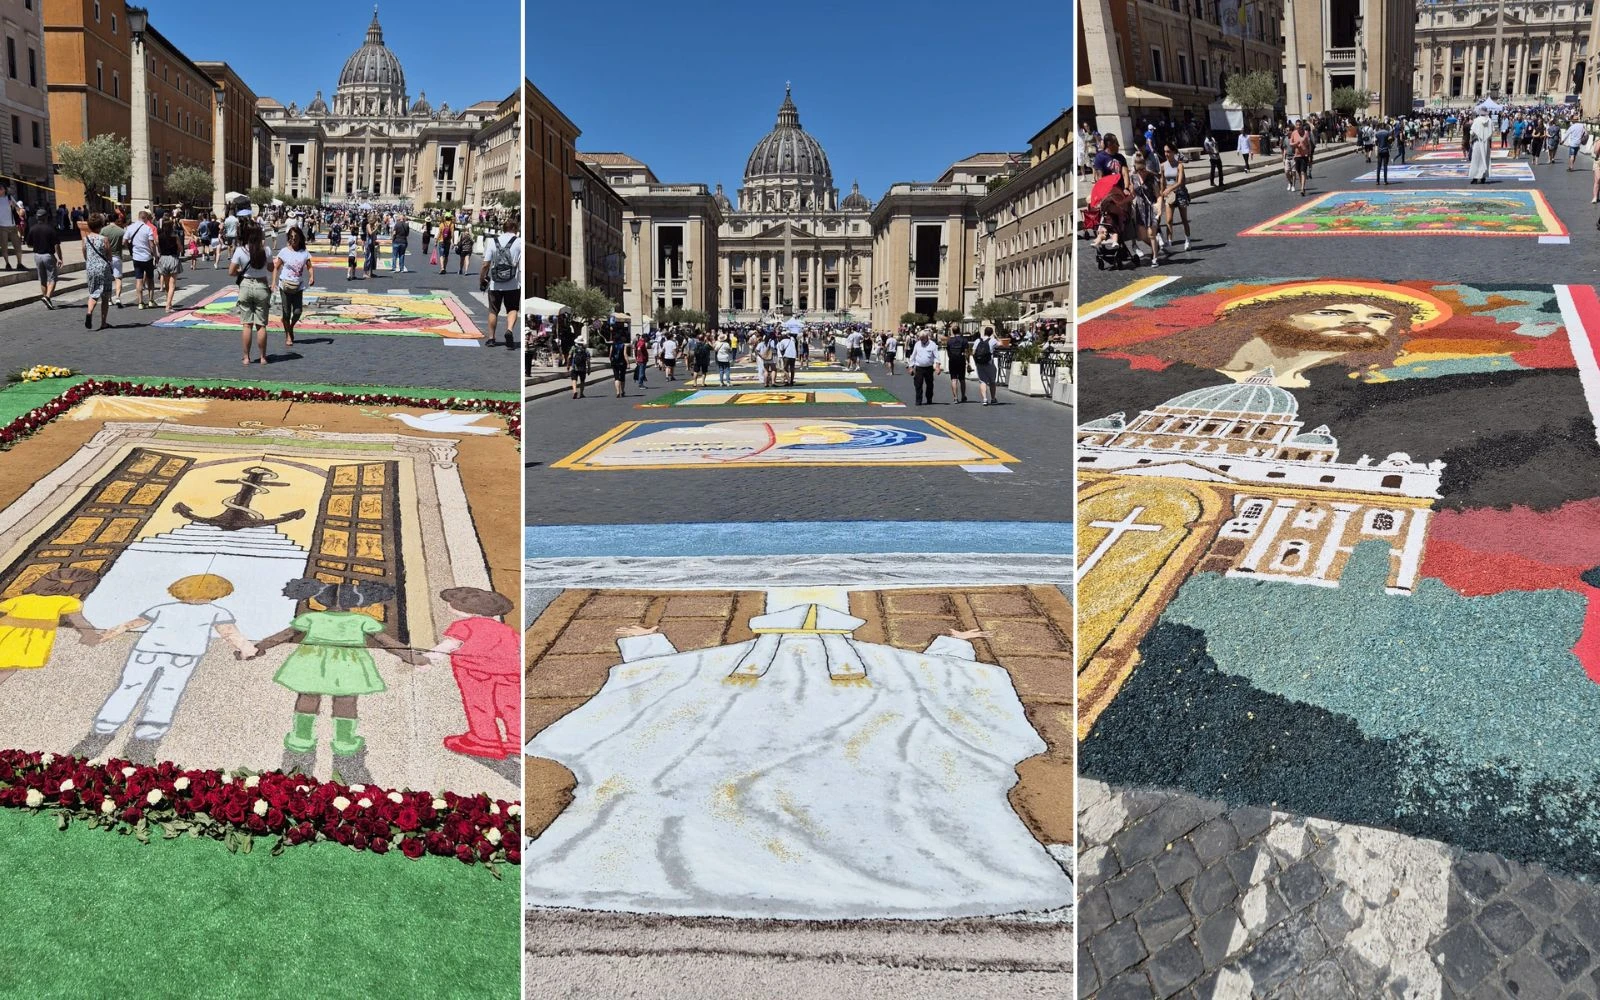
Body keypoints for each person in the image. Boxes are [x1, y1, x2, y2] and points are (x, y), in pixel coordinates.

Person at [81, 575, 256, 752]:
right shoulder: (217, 612)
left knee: (128, 687)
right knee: (167, 693)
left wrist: (103, 636)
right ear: (217, 593)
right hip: (184, 657)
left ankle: (102, 731)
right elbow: (230, 634)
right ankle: (147, 739)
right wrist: (247, 650)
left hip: (147, 652)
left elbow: (129, 625)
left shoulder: (163, 608)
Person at [417, 587, 520, 760]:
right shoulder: (506, 629)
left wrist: (428, 659)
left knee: (480, 705)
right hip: (510, 673)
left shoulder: (465, 625)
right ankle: (516, 740)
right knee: (511, 705)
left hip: (475, 672)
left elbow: (449, 646)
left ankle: (486, 741)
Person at [229, 219, 273, 365]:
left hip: (246, 286)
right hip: (261, 285)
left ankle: (246, 357)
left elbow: (231, 272)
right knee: (261, 325)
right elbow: (271, 268)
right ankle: (263, 357)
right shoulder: (266, 250)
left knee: (247, 324)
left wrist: (241, 272)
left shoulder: (240, 250)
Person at [479, 218, 522, 347]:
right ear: (514, 228)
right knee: (512, 309)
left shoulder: (493, 241)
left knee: (493, 311)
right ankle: (509, 330)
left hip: (495, 284)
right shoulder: (519, 242)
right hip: (513, 283)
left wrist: (482, 278)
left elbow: (485, 264)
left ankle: (491, 338)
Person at [272, 226, 314, 349]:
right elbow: (276, 267)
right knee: (286, 312)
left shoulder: (304, 252)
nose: (293, 239)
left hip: (298, 286)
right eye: (291, 237)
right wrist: (273, 282)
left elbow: (309, 266)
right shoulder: (284, 251)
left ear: (300, 237)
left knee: (297, 312)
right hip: (285, 285)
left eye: (296, 237)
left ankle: (290, 327)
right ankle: (288, 335)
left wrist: (311, 276)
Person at [81, 213, 114, 330]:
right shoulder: (104, 239)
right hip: (103, 269)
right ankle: (103, 322)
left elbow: (85, 254)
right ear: (100, 226)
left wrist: (91, 262)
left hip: (91, 268)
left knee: (93, 293)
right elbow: (109, 255)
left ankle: (89, 312)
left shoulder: (85, 239)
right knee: (105, 295)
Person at [1158, 145, 1192, 254]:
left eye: (1168, 151)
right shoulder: (1163, 166)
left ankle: (1188, 240)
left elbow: (1180, 181)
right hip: (1169, 195)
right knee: (1169, 220)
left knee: (1184, 219)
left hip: (1180, 193)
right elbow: (1162, 181)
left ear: (1173, 152)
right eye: (1165, 152)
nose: (1166, 154)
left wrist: (1169, 189)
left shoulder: (1179, 165)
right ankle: (1169, 241)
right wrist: (1161, 194)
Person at [25, 208, 61, 309]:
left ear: (37, 217)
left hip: (37, 256)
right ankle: (47, 297)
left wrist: (38, 244)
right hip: (48, 256)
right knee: (52, 278)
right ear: (46, 217)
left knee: (42, 279)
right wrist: (60, 258)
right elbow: (57, 245)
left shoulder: (32, 229)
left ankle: (46, 300)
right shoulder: (50, 229)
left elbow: (29, 244)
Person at [127, 209, 157, 308]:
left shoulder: (130, 227)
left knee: (139, 280)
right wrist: (155, 255)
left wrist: (131, 247)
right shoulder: (148, 228)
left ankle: (140, 302)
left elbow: (124, 241)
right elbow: (152, 245)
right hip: (147, 257)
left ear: (138, 217)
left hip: (136, 257)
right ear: (146, 218)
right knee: (150, 279)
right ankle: (151, 300)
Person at [154, 214, 184, 312]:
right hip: (172, 258)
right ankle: (168, 306)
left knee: (167, 284)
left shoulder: (158, 237)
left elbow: (158, 248)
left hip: (163, 259)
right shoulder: (175, 237)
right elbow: (181, 248)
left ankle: (169, 302)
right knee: (172, 285)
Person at [908, 328, 941, 405]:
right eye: (920, 338)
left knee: (929, 384)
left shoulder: (932, 345)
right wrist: (910, 367)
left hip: (929, 368)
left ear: (926, 337)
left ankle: (929, 399)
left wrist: (937, 367)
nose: (921, 340)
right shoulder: (917, 344)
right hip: (919, 368)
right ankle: (918, 400)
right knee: (918, 384)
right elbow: (913, 356)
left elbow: (937, 357)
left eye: (922, 339)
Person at [101, 211, 125, 306]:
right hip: (117, 256)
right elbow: (124, 243)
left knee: (108, 279)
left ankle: (109, 300)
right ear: (116, 219)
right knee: (118, 278)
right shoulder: (121, 231)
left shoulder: (103, 230)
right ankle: (118, 297)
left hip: (106, 257)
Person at [973, 327, 1000, 406]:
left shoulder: (977, 340)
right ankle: (993, 398)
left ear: (984, 332)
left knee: (982, 381)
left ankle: (985, 399)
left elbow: (973, 352)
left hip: (979, 363)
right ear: (991, 333)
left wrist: (976, 362)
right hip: (989, 363)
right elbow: (1002, 344)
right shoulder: (993, 340)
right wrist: (996, 336)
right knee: (992, 381)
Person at [945, 327, 969, 403]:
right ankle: (963, 396)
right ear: (960, 331)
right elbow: (966, 352)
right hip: (961, 360)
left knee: (953, 379)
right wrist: (968, 362)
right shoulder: (964, 340)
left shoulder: (949, 341)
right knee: (962, 379)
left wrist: (951, 358)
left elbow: (948, 351)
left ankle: (955, 398)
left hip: (952, 361)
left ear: (953, 331)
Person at [1469, 111, 1494, 183]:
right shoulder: (1490, 121)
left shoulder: (1476, 120)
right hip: (1486, 143)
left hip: (1477, 142)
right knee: (1485, 160)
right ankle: (1483, 177)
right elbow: (1492, 132)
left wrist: (1471, 140)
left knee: (1476, 160)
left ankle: (1475, 178)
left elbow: (1472, 132)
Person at [0, 183, 19, 271]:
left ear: (4, 190)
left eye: (1, 188)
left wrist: (14, 206)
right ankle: (7, 263)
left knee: (17, 246)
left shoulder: (9, 198)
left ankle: (19, 263)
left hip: (12, 225)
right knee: (4, 246)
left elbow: (18, 208)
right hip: (2, 226)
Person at [568, 331, 589, 398]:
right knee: (582, 381)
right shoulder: (585, 350)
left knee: (574, 379)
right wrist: (589, 368)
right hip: (583, 367)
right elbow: (588, 360)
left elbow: (569, 357)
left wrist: (568, 365)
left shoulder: (573, 348)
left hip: (574, 367)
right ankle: (581, 393)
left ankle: (575, 391)